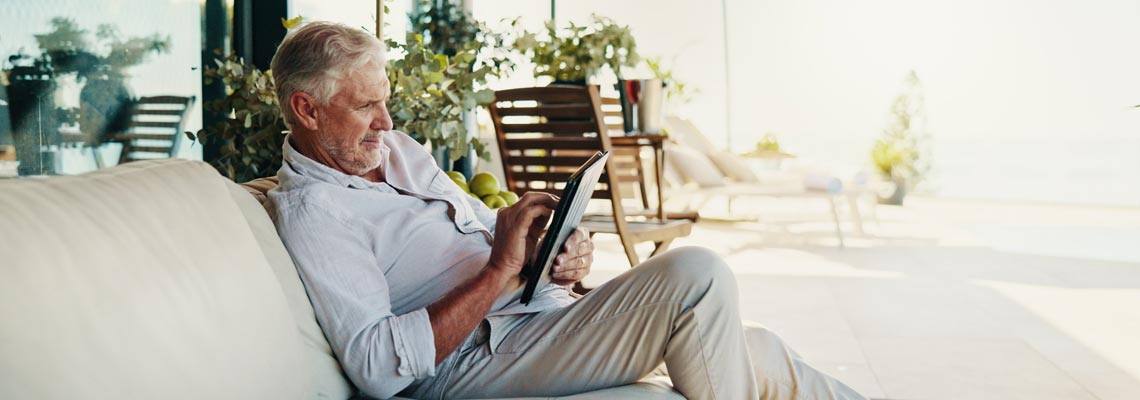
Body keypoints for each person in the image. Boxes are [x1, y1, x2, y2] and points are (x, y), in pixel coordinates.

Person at [267, 21, 866, 400]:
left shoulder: (399, 152)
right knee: (696, 275)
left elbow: (485, 232)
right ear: (308, 109)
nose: (387, 123)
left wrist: (552, 257)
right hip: (470, 362)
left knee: (753, 347)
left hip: (534, 316)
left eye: (386, 102)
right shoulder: (316, 213)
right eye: (368, 106)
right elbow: (375, 367)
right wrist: (500, 271)